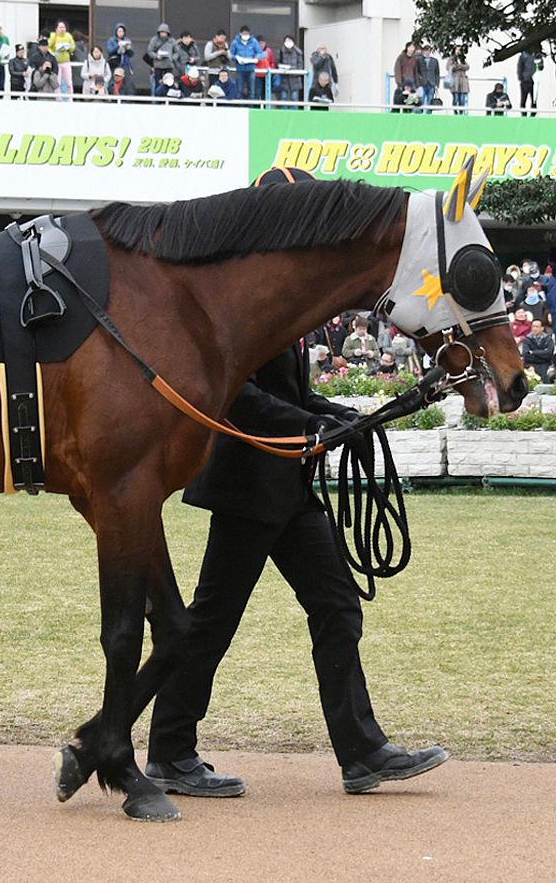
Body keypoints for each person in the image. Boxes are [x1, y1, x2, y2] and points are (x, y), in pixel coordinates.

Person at [144, 340, 449, 800]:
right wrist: (312, 425)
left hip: (288, 491)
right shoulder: (252, 312)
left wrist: (345, 417)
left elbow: (294, 395)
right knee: (213, 621)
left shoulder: (290, 320)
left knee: (337, 607)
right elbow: (234, 395)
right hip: (247, 490)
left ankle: (363, 751)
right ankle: (168, 752)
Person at [229, 26, 260, 101]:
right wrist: (237, 58)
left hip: (251, 68)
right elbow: (231, 54)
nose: (245, 35)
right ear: (240, 33)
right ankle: (240, 107)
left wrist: (257, 58)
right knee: (239, 89)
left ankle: (251, 106)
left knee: (252, 90)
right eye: (244, 33)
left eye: (247, 33)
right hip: (240, 68)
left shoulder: (254, 41)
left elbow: (259, 51)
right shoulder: (235, 42)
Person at [145, 23, 176, 95]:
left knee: (170, 83)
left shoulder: (172, 41)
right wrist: (156, 56)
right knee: (158, 84)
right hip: (158, 65)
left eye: (164, 32)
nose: (163, 34)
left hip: (168, 65)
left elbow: (177, 52)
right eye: (161, 32)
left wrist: (173, 58)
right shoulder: (154, 40)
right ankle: (158, 100)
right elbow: (149, 51)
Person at [46, 21, 74, 99]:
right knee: (57, 82)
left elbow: (73, 46)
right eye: (60, 27)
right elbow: (48, 47)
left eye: (63, 27)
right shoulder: (53, 35)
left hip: (66, 61)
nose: (62, 29)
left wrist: (68, 47)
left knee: (69, 82)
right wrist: (53, 53)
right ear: (56, 28)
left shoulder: (68, 36)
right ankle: (58, 99)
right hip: (56, 62)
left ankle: (70, 98)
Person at [277, 35, 304, 105]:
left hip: (295, 78)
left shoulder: (298, 52)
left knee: (294, 97)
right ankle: (284, 113)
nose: (288, 42)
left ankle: (294, 114)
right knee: (284, 97)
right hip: (284, 78)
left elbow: (300, 64)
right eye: (286, 41)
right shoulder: (281, 51)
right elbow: (277, 62)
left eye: (289, 41)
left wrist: (296, 72)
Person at [415, 45, 441, 111]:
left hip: (431, 83)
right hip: (422, 83)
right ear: (423, 51)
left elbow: (437, 73)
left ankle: (429, 115)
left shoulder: (434, 61)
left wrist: (437, 84)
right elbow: (417, 71)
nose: (428, 52)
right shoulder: (419, 60)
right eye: (426, 50)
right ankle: (421, 115)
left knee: (430, 101)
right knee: (421, 100)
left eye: (429, 51)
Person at [447, 46, 470, 115]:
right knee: (455, 98)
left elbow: (467, 67)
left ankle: (461, 112)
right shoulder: (451, 59)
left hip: (462, 81)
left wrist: (461, 66)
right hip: (455, 81)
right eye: (457, 50)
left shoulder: (463, 59)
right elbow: (449, 67)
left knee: (462, 99)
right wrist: (457, 66)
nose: (458, 51)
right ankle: (455, 112)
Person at [518, 51, 540, 117]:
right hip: (525, 80)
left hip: (534, 81)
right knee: (523, 99)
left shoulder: (537, 55)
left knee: (534, 99)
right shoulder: (523, 56)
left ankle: (533, 114)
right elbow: (520, 67)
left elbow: (541, 67)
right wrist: (521, 78)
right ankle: (523, 115)